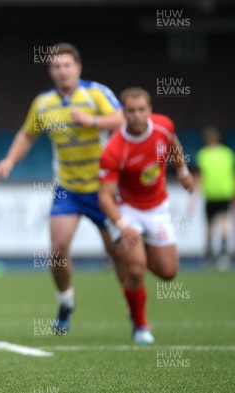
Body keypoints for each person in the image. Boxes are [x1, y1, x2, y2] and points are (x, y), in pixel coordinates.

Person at [0, 43, 123, 333]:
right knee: (58, 249)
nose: (62, 71)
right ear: (51, 71)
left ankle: (134, 310)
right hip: (67, 188)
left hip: (103, 188)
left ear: (78, 67)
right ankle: (66, 302)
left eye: (67, 65)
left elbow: (120, 118)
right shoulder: (43, 103)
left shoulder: (95, 93)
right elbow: (27, 134)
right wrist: (10, 160)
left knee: (117, 253)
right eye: (56, 66)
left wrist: (91, 120)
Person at [98, 87, 194, 344]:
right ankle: (140, 325)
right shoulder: (114, 148)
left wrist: (183, 171)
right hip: (126, 209)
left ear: (150, 110)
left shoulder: (164, 126)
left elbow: (173, 143)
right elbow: (105, 196)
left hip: (157, 209)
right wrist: (120, 223)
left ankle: (136, 253)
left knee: (168, 272)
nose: (137, 115)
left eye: (142, 110)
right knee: (137, 269)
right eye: (131, 111)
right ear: (123, 113)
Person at [195, 127, 234, 270]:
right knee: (224, 220)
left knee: (209, 223)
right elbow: (232, 173)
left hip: (210, 193)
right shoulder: (227, 153)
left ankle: (209, 253)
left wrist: (193, 196)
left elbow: (200, 176)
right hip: (225, 192)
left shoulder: (203, 154)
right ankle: (224, 252)